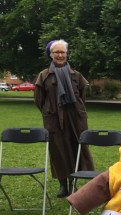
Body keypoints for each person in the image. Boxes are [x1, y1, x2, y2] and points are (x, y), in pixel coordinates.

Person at [34, 39, 94, 197]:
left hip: (75, 119)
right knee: (58, 150)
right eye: (57, 52)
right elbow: (39, 100)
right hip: (54, 119)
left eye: (63, 52)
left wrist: (77, 111)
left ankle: (73, 182)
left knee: (77, 148)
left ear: (67, 54)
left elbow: (82, 97)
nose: (60, 55)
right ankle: (62, 184)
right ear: (51, 55)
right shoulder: (44, 76)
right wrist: (49, 111)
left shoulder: (76, 75)